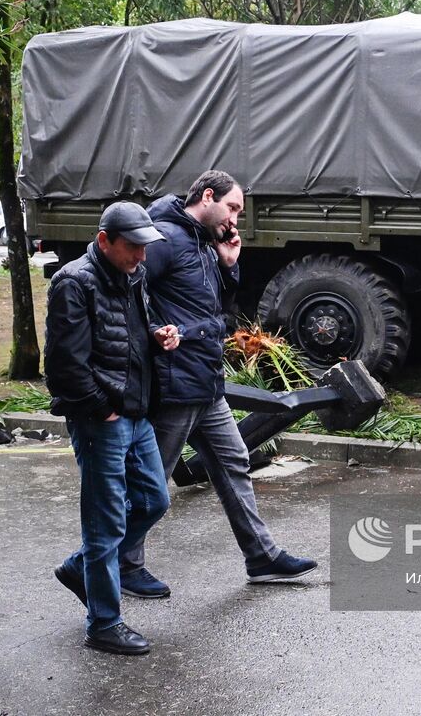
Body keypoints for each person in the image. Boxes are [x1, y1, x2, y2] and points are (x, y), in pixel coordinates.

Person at [118, 170, 317, 598]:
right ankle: (121, 564)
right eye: (232, 208)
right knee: (152, 483)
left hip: (207, 384)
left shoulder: (204, 242)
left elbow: (212, 307)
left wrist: (228, 266)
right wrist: (155, 332)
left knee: (233, 464)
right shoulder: (166, 238)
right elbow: (127, 289)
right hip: (175, 385)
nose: (235, 219)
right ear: (207, 196)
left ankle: (261, 556)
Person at [45, 202, 180, 656]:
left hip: (137, 411)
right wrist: (100, 409)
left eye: (145, 247)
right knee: (104, 523)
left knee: (153, 500)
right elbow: (64, 363)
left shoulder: (131, 275)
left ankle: (78, 568)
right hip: (103, 417)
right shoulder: (73, 282)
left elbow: (127, 334)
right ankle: (103, 623)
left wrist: (158, 335)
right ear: (105, 241)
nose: (141, 256)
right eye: (133, 247)